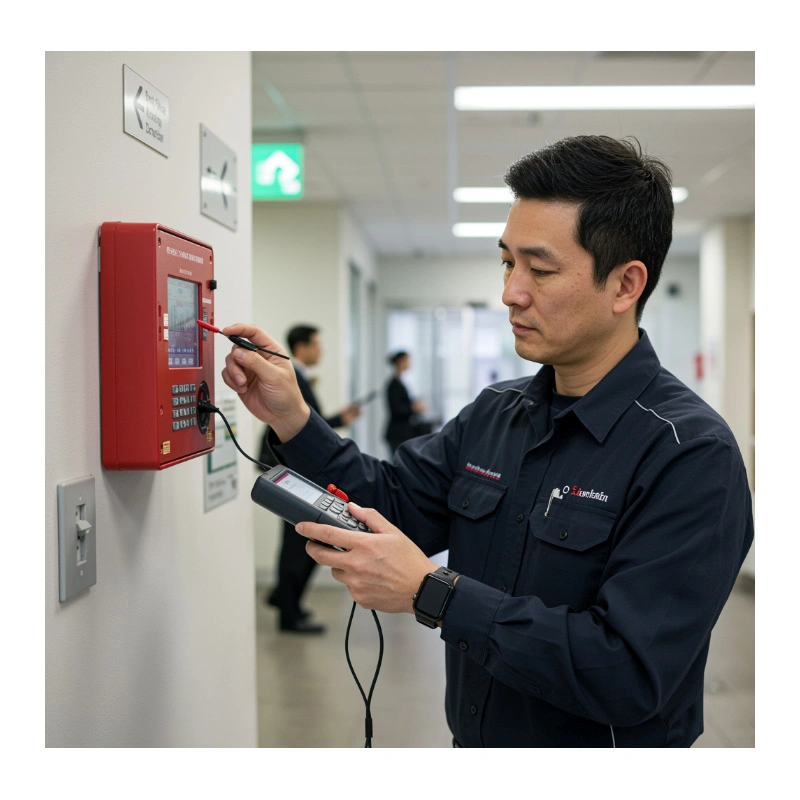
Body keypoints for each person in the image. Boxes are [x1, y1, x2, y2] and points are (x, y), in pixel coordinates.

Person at [222, 135, 754, 746]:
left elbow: (628, 672)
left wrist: (435, 594)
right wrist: (293, 419)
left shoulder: (688, 454)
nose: (511, 292)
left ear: (625, 285)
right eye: (507, 262)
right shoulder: (495, 416)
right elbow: (391, 504)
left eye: (541, 269)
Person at [259, 324, 361, 634]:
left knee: (298, 541)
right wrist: (337, 421)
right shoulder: (295, 378)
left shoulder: (299, 377)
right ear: (301, 347)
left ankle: (284, 599)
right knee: (297, 544)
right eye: (316, 345)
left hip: (292, 469)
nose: (321, 351)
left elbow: (306, 422)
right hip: (291, 470)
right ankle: (288, 612)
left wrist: (338, 420)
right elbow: (304, 425)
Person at [384, 351, 426, 455]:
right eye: (407, 360)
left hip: (404, 432)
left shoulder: (400, 382)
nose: (409, 363)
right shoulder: (393, 384)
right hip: (397, 433)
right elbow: (397, 409)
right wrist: (414, 408)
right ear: (400, 361)